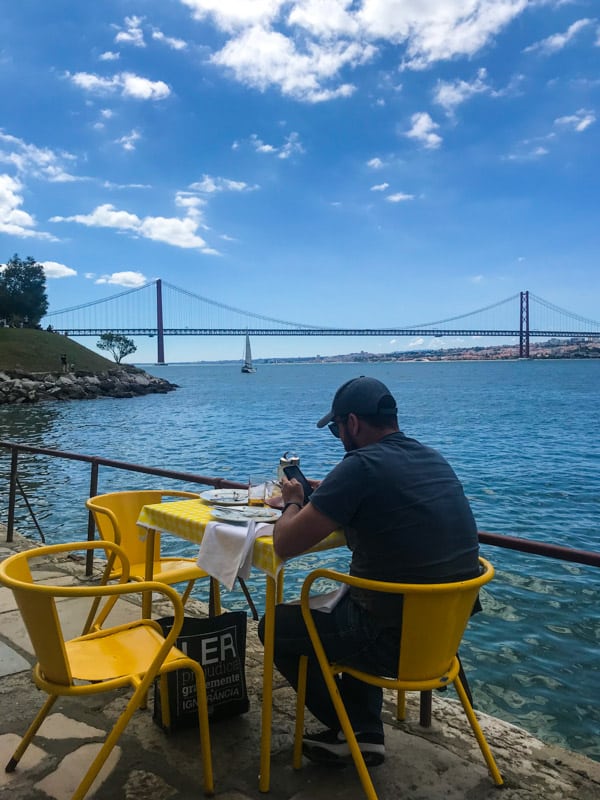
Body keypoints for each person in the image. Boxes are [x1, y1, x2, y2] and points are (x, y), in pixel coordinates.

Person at [258, 376, 480, 767]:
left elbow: (285, 545)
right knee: (354, 600)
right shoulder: (432, 458)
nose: (338, 435)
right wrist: (329, 489)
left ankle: (355, 728)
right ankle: (363, 735)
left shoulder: (359, 466)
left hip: (388, 642)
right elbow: (385, 498)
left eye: (335, 428)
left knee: (275, 626)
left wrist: (294, 501)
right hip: (442, 638)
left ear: (354, 423)